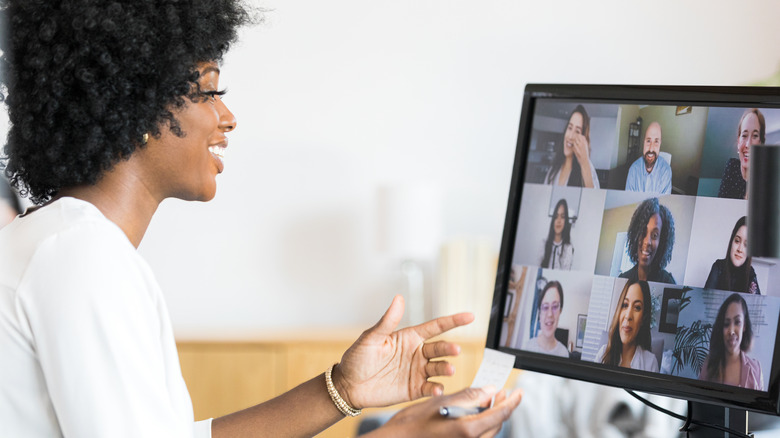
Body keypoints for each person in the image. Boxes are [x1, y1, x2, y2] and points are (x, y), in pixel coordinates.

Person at [0, 1, 522, 437]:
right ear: (135, 104)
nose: (226, 118)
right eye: (209, 91)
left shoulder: (63, 242)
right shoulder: (84, 259)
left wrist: (342, 389)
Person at [699, 293, 763, 390]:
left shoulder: (756, 368)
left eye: (737, 322)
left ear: (744, 326)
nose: (731, 331)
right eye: (726, 323)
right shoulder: (709, 364)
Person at [596, 280, 659, 372]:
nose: (628, 316)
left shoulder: (650, 363)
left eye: (637, 307)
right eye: (625, 305)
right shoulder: (603, 353)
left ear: (643, 318)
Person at [619, 197, 676, 284]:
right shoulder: (623, 279)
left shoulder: (668, 283)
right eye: (643, 232)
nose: (647, 242)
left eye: (654, 235)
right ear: (635, 235)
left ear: (661, 242)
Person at [544, 105, 601, 188]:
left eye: (577, 131)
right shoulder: (553, 169)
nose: (570, 136)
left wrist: (584, 163)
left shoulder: (588, 168)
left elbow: (594, 199)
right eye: (570, 128)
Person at [705, 216, 760, 294]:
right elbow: (704, 301)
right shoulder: (718, 267)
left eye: (746, 245)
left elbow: (757, 303)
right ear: (731, 241)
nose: (740, 249)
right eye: (737, 241)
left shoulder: (750, 273)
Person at [718, 108, 765, 200]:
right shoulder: (732, 166)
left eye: (755, 136)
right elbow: (721, 204)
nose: (748, 144)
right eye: (744, 135)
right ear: (738, 142)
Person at [522, 281, 569, 357]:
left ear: (560, 311)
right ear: (539, 313)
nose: (550, 314)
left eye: (555, 306)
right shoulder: (527, 347)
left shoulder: (564, 353)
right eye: (545, 307)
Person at [625, 122, 672, 194]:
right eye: (648, 141)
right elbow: (628, 199)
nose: (651, 149)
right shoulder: (633, 170)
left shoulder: (666, 171)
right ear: (643, 142)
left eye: (656, 141)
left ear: (660, 144)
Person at [540, 199, 574, 270]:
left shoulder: (568, 248)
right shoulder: (543, 244)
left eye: (562, 217)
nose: (559, 221)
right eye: (556, 216)